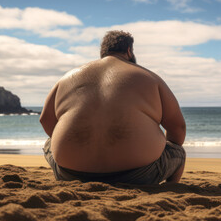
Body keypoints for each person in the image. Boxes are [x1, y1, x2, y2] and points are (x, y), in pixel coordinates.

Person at [40, 30, 186, 184]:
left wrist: (69, 141)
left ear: (103, 52)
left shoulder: (67, 78)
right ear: (129, 51)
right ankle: (171, 187)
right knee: (178, 152)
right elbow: (178, 128)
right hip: (139, 175)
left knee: (50, 143)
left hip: (70, 174)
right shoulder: (150, 77)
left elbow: (45, 120)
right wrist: (158, 147)